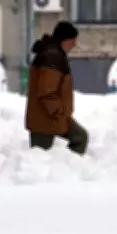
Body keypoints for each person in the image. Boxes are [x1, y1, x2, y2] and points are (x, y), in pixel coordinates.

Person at [24, 21, 89, 155]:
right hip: (45, 119)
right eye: (72, 40)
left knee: (80, 137)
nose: (74, 44)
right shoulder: (52, 57)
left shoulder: (53, 54)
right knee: (40, 159)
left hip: (53, 117)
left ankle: (69, 165)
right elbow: (46, 91)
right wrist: (58, 111)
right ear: (64, 39)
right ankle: (68, 165)